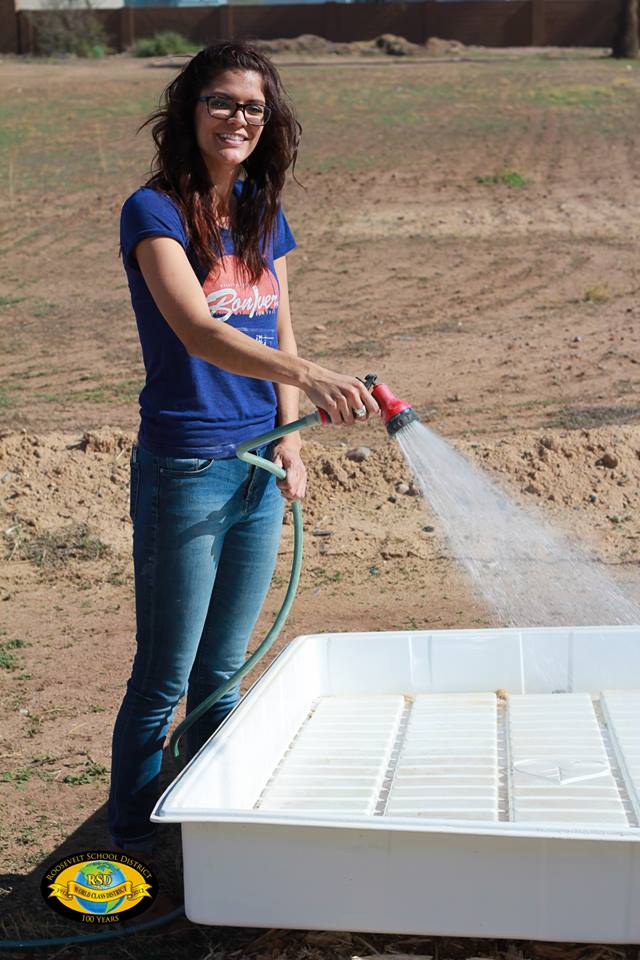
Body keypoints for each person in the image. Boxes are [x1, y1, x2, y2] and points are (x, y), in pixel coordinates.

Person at [108, 40, 378, 853]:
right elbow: (196, 329)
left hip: (264, 465)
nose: (238, 119)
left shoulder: (260, 207)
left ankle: (205, 832)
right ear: (189, 111)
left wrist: (293, 439)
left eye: (253, 108)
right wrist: (311, 373)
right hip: (188, 469)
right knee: (165, 677)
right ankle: (135, 841)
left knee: (223, 675)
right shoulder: (151, 212)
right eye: (221, 102)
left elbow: (279, 320)